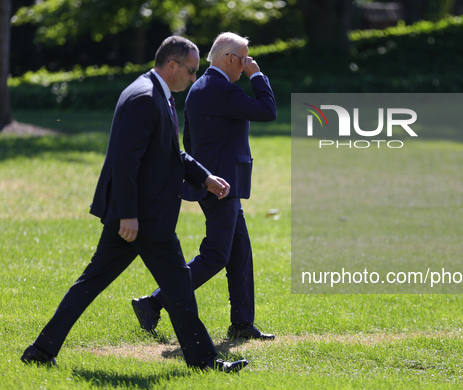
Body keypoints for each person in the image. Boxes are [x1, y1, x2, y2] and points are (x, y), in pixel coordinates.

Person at [20, 36, 248, 373]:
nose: (192, 77)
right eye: (190, 70)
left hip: (139, 216)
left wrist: (205, 177)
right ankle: (206, 362)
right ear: (172, 65)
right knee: (180, 291)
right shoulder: (144, 97)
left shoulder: (156, 93)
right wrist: (128, 215)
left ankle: (40, 351)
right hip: (143, 217)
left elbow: (172, 152)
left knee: (91, 284)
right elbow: (125, 163)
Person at [131, 32, 276, 341]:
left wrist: (197, 177)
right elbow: (268, 111)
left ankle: (242, 324)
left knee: (239, 254)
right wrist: (258, 75)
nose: (246, 65)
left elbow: (189, 140)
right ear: (228, 59)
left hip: (217, 182)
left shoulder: (201, 87)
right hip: (219, 185)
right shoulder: (222, 89)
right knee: (216, 255)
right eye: (244, 59)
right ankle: (154, 303)